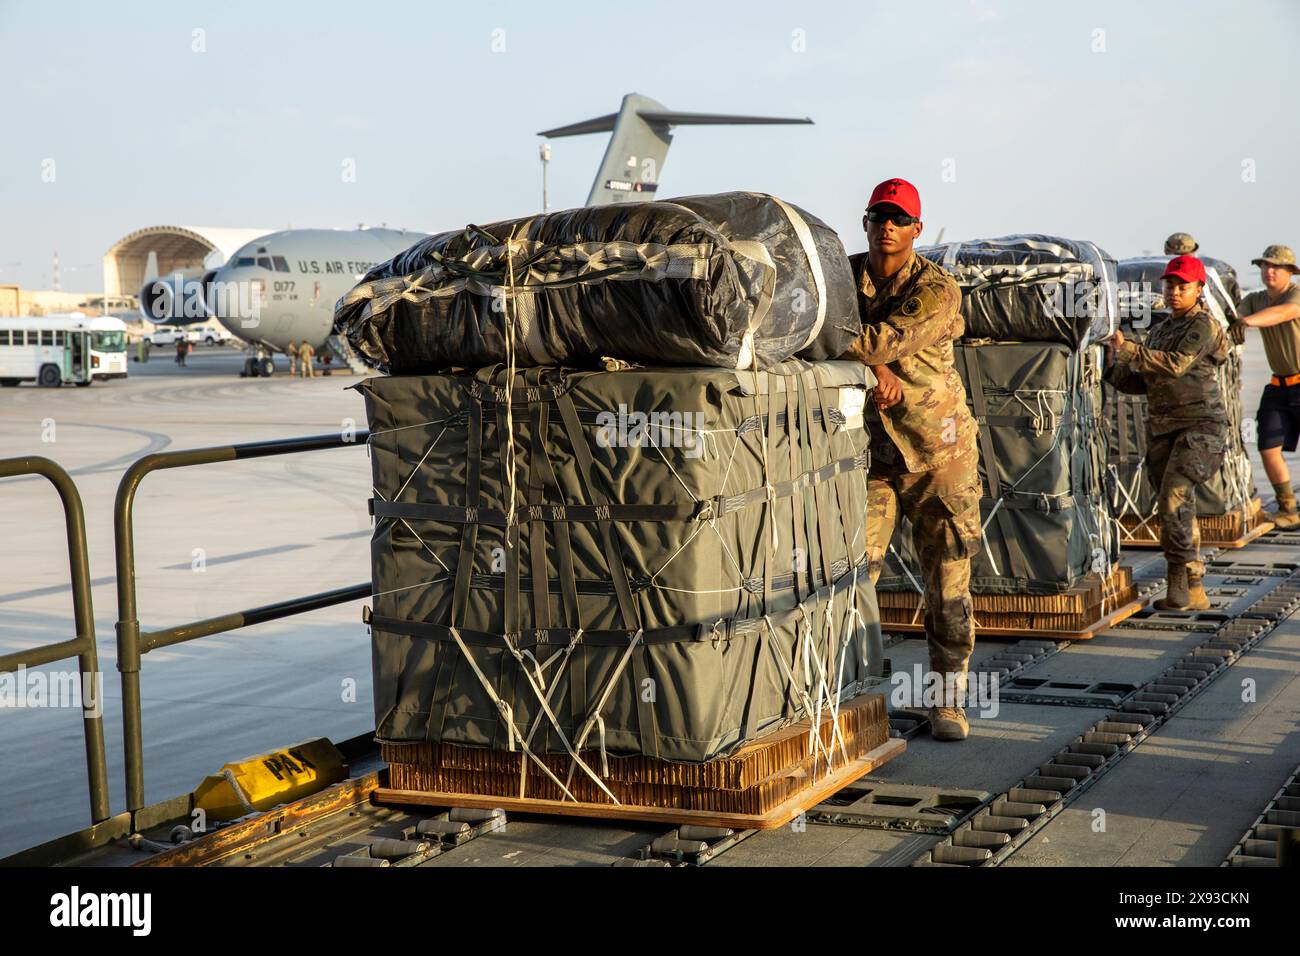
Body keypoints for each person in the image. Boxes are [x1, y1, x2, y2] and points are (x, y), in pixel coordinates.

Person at [840, 177, 982, 742]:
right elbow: (810, 326)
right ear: (867, 222)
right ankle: (850, 695)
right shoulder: (846, 276)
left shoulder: (936, 289)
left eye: (899, 218)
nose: (888, 226)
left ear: (916, 230)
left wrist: (873, 359)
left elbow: (873, 340)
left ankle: (948, 702)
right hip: (871, 456)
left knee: (946, 584)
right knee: (854, 573)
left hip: (936, 455)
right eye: (879, 216)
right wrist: (875, 371)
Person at [1105, 255, 1231, 610]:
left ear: (1198, 289)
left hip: (1201, 427)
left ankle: (1178, 580)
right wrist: (1109, 363)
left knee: (1174, 497)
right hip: (1162, 429)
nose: (1174, 291)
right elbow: (1142, 383)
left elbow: (1175, 366)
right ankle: (1194, 583)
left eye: (1183, 286)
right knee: (1175, 506)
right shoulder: (1160, 330)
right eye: (1170, 284)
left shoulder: (1203, 326)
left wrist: (1129, 349)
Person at [1236, 244, 1300, 529]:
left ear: (1290, 272)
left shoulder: (1295, 295)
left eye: (1275, 267)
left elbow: (1284, 313)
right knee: (1268, 446)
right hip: (1279, 384)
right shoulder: (1255, 300)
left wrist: (1244, 323)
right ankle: (1288, 508)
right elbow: (1232, 317)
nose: (1268, 271)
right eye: (1264, 266)